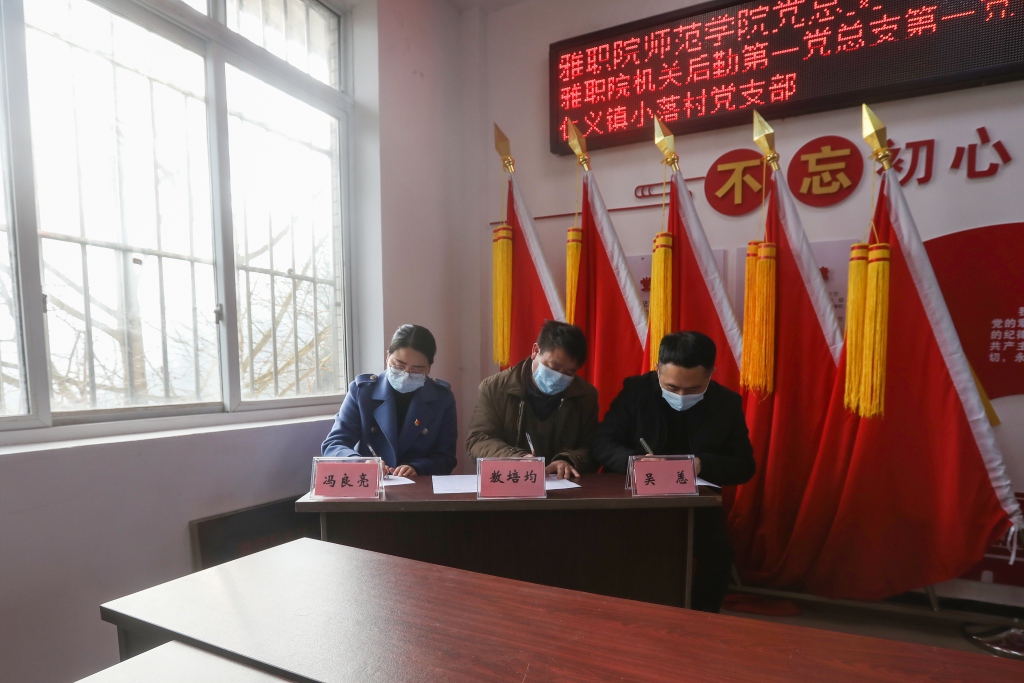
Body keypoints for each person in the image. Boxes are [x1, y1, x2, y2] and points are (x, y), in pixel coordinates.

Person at [593, 331, 754, 612]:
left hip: (693, 499)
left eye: (692, 389)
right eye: (671, 387)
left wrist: (703, 464)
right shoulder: (637, 391)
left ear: (711, 374)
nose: (680, 396)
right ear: (657, 369)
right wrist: (635, 461)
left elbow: (744, 465)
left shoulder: (726, 404)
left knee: (719, 553)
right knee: (610, 546)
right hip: (635, 494)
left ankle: (700, 621)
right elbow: (602, 443)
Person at [467, 320, 598, 479]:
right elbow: (478, 441)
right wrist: (518, 458)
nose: (558, 377)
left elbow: (593, 446)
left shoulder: (585, 395)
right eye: (553, 367)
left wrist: (568, 460)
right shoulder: (494, 388)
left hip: (562, 482)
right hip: (512, 480)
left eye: (568, 373)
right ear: (535, 351)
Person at [321, 324, 457, 477]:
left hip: (419, 485)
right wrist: (361, 463)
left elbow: (446, 457)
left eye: (417, 370)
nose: (406, 375)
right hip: (372, 482)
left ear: (428, 369)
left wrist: (418, 468)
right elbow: (334, 444)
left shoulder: (442, 399)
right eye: (398, 366)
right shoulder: (362, 392)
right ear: (387, 357)